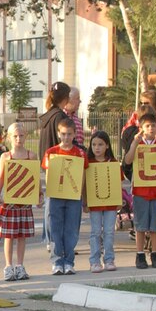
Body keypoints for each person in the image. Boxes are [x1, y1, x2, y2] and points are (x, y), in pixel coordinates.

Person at [123, 115, 156, 270]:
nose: (151, 129)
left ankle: (155, 253)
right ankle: (140, 254)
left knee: (155, 226)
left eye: (153, 125)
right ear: (141, 128)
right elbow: (127, 160)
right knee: (140, 225)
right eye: (147, 126)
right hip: (140, 191)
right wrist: (134, 143)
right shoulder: (138, 143)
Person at [0, 123, 40, 281]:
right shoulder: (5, 157)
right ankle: (8, 265)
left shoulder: (31, 156)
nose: (18, 138)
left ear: (26, 136)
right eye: (15, 136)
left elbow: (35, 178)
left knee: (22, 236)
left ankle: (20, 265)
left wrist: (39, 195)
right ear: (9, 138)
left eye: (21, 135)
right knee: (9, 235)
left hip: (25, 202)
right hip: (10, 201)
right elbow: (1, 177)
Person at [43, 118, 88, 275]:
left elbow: (82, 176)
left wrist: (83, 196)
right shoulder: (51, 152)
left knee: (71, 229)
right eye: (63, 134)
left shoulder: (80, 153)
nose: (66, 137)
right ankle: (57, 261)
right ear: (58, 134)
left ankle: (69, 261)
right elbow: (48, 174)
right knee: (54, 228)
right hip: (55, 196)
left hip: (74, 197)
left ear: (75, 134)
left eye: (69, 134)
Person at [87, 131, 126, 272]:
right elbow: (85, 184)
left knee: (109, 232)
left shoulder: (114, 163)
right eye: (94, 144)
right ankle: (94, 261)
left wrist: (119, 200)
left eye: (100, 144)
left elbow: (118, 183)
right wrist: (85, 202)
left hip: (110, 204)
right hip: (94, 204)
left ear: (107, 146)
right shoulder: (88, 163)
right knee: (95, 232)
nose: (97, 148)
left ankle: (109, 259)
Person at [38, 82, 70, 246]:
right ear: (66, 98)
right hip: (59, 162)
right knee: (57, 207)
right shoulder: (59, 117)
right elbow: (64, 142)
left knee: (51, 204)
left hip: (48, 162)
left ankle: (50, 239)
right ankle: (55, 240)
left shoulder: (48, 115)